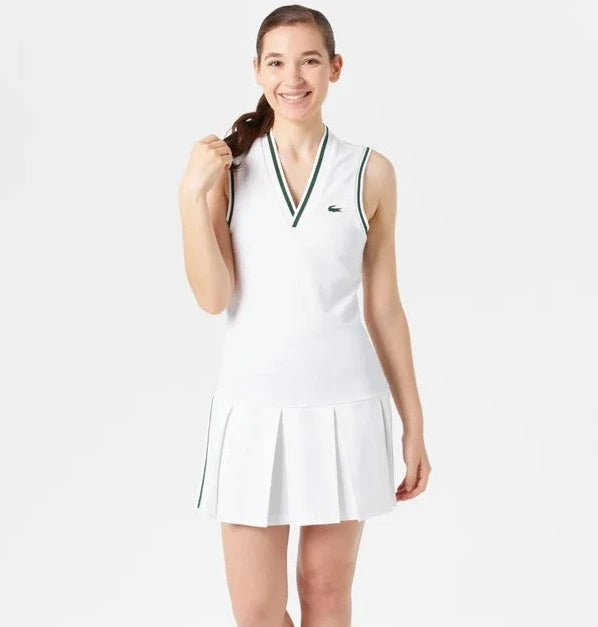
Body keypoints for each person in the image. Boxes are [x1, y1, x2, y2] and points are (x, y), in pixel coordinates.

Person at [178, 5, 431, 626]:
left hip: (345, 406)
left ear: (335, 68)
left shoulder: (370, 171)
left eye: (310, 60)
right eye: (277, 62)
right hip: (252, 408)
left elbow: (384, 306)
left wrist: (414, 424)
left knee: (325, 593)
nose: (293, 78)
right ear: (257, 71)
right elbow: (214, 297)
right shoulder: (228, 171)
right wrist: (189, 196)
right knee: (256, 610)